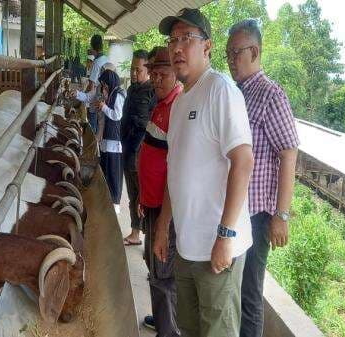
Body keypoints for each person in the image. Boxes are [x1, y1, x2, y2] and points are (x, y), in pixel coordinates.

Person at [153, 8, 254, 337]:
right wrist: (163, 226)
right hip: (187, 246)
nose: (177, 47)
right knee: (190, 329)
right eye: (173, 40)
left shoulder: (221, 91)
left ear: (207, 47)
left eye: (187, 39)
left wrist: (225, 236)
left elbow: (243, 161)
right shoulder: (181, 102)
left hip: (216, 250)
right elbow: (175, 169)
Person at [226, 19, 300, 337]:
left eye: (236, 53)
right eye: (227, 54)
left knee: (249, 295)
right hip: (232, 211)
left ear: (254, 52)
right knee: (230, 289)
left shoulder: (272, 96)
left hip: (255, 216)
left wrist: (281, 215)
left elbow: (289, 152)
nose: (230, 60)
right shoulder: (235, 93)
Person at [138, 46, 182, 337]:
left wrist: (163, 223)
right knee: (153, 265)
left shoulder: (177, 106)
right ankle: (161, 319)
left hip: (165, 211)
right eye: (152, 73)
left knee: (163, 274)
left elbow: (174, 169)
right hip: (151, 203)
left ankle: (169, 331)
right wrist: (143, 197)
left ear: (175, 73)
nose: (155, 79)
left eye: (161, 73)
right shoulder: (161, 103)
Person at [122, 49, 157, 245]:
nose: (134, 74)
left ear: (147, 71)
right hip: (127, 150)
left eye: (138, 70)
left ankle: (146, 236)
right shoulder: (131, 89)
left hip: (140, 152)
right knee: (133, 195)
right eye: (132, 69)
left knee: (141, 198)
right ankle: (135, 232)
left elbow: (146, 125)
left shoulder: (152, 91)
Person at [93, 69, 125, 207]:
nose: (104, 87)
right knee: (106, 170)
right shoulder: (110, 94)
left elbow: (117, 115)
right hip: (107, 139)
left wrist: (104, 107)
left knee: (113, 174)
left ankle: (115, 203)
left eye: (105, 85)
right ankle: (107, 200)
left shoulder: (118, 95)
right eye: (103, 85)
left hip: (115, 141)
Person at [86, 34, 109, 133]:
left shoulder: (96, 63)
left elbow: (91, 85)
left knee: (93, 128)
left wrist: (83, 96)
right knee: (101, 126)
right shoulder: (106, 59)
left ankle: (93, 145)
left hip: (96, 100)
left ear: (92, 46)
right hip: (106, 99)